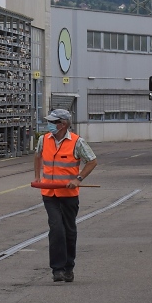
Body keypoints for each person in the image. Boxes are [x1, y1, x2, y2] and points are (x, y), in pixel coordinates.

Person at [33, 108, 98, 283]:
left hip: (68, 194)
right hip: (49, 193)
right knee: (56, 229)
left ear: (62, 125)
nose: (49, 125)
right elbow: (37, 156)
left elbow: (92, 161)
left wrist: (78, 179)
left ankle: (69, 267)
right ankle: (57, 269)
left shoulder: (77, 142)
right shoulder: (43, 139)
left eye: (53, 122)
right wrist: (37, 177)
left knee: (69, 230)